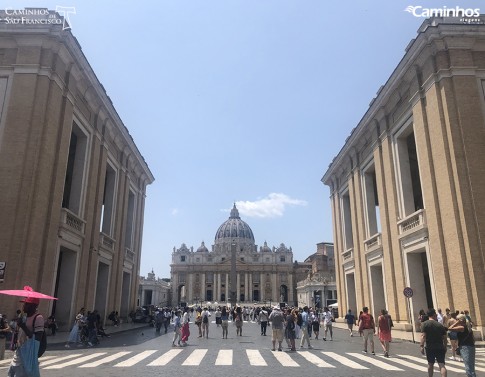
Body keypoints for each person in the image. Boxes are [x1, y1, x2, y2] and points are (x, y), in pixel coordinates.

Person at [8, 297, 45, 377]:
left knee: (22, 372)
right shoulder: (24, 317)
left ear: (33, 306)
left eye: (26, 304)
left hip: (28, 351)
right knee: (12, 371)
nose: (23, 306)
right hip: (20, 349)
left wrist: (23, 326)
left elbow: (38, 338)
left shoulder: (38, 318)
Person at [420, 308, 448, 377]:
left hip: (430, 347)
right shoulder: (440, 325)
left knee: (430, 364)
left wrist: (421, 346)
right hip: (440, 346)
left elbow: (423, 336)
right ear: (434, 315)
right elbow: (445, 338)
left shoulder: (425, 324)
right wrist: (445, 346)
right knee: (441, 365)